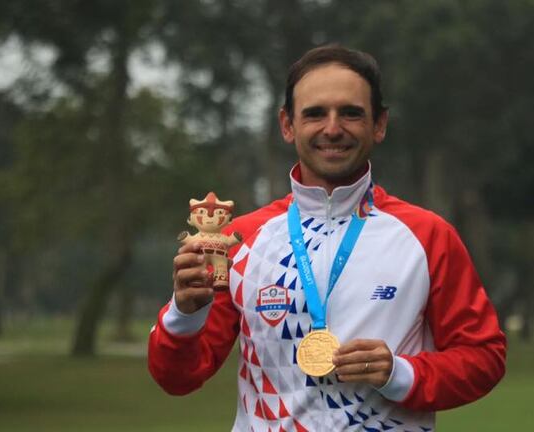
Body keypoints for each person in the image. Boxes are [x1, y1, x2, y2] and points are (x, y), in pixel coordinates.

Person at [148, 44, 506, 431]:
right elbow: (177, 377)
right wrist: (185, 315)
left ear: (379, 124)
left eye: (351, 113)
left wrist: (399, 374)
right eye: (315, 113)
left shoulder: (427, 236)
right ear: (287, 125)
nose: (332, 128)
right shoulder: (242, 239)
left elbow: (484, 357)